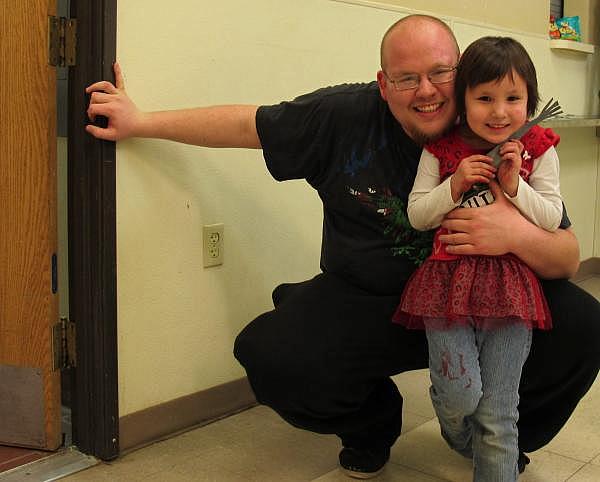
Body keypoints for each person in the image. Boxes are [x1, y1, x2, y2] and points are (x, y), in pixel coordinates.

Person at [85, 15, 600, 479]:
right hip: (372, 302)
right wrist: (141, 122)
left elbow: (567, 256)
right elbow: (250, 125)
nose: (427, 91)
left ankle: (499, 440)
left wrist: (513, 233)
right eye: (405, 78)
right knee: (272, 354)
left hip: (487, 299)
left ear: (462, 74)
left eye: (441, 73)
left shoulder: (504, 130)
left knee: (584, 323)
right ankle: (373, 424)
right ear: (383, 84)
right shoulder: (345, 115)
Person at [392, 36, 561, 481]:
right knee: (461, 395)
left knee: (499, 413)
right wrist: (453, 185)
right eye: (484, 98)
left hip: (512, 292)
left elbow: (551, 217)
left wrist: (513, 185)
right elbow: (417, 216)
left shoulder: (538, 150)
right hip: (445, 286)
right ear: (463, 102)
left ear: (530, 102)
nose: (500, 111)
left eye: (513, 98)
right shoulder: (442, 150)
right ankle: (454, 426)